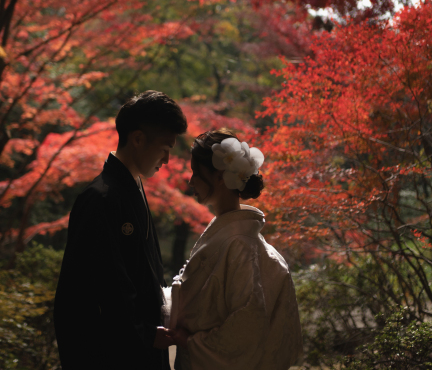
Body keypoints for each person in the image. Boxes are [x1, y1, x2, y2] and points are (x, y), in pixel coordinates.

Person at [53, 90, 187, 369]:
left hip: (142, 344)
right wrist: (145, 332)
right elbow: (103, 285)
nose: (166, 160)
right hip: (113, 352)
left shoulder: (130, 189)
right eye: (165, 149)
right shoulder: (100, 198)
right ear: (138, 139)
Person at [166, 129, 302, 370]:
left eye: (196, 173)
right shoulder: (234, 236)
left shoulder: (238, 243)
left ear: (219, 176)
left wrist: (192, 342)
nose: (190, 180)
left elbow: (247, 323)